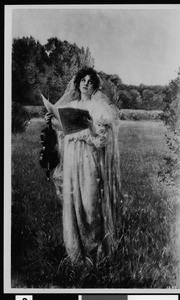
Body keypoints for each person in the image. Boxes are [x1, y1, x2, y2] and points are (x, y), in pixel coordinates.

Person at [44, 67, 121, 264]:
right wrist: (52, 120)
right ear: (77, 83)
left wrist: (91, 128)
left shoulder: (99, 109)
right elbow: (62, 131)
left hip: (89, 159)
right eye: (83, 80)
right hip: (71, 159)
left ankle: (95, 253)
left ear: (95, 86)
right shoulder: (70, 106)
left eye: (90, 81)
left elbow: (101, 141)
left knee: (89, 202)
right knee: (72, 202)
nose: (86, 83)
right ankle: (75, 254)